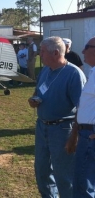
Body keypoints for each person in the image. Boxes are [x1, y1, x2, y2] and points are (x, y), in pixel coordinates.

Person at [27, 36, 86, 198]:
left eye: (43, 51)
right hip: (42, 127)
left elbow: (82, 109)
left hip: (63, 130)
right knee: (42, 171)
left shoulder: (74, 74)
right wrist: (33, 100)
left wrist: (74, 138)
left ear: (55, 53)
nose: (40, 54)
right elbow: (38, 91)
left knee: (64, 176)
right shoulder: (45, 70)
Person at [69, 37, 95, 197]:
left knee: (84, 186)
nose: (83, 51)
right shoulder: (92, 71)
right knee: (82, 182)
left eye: (87, 47)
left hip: (91, 136)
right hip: (85, 134)